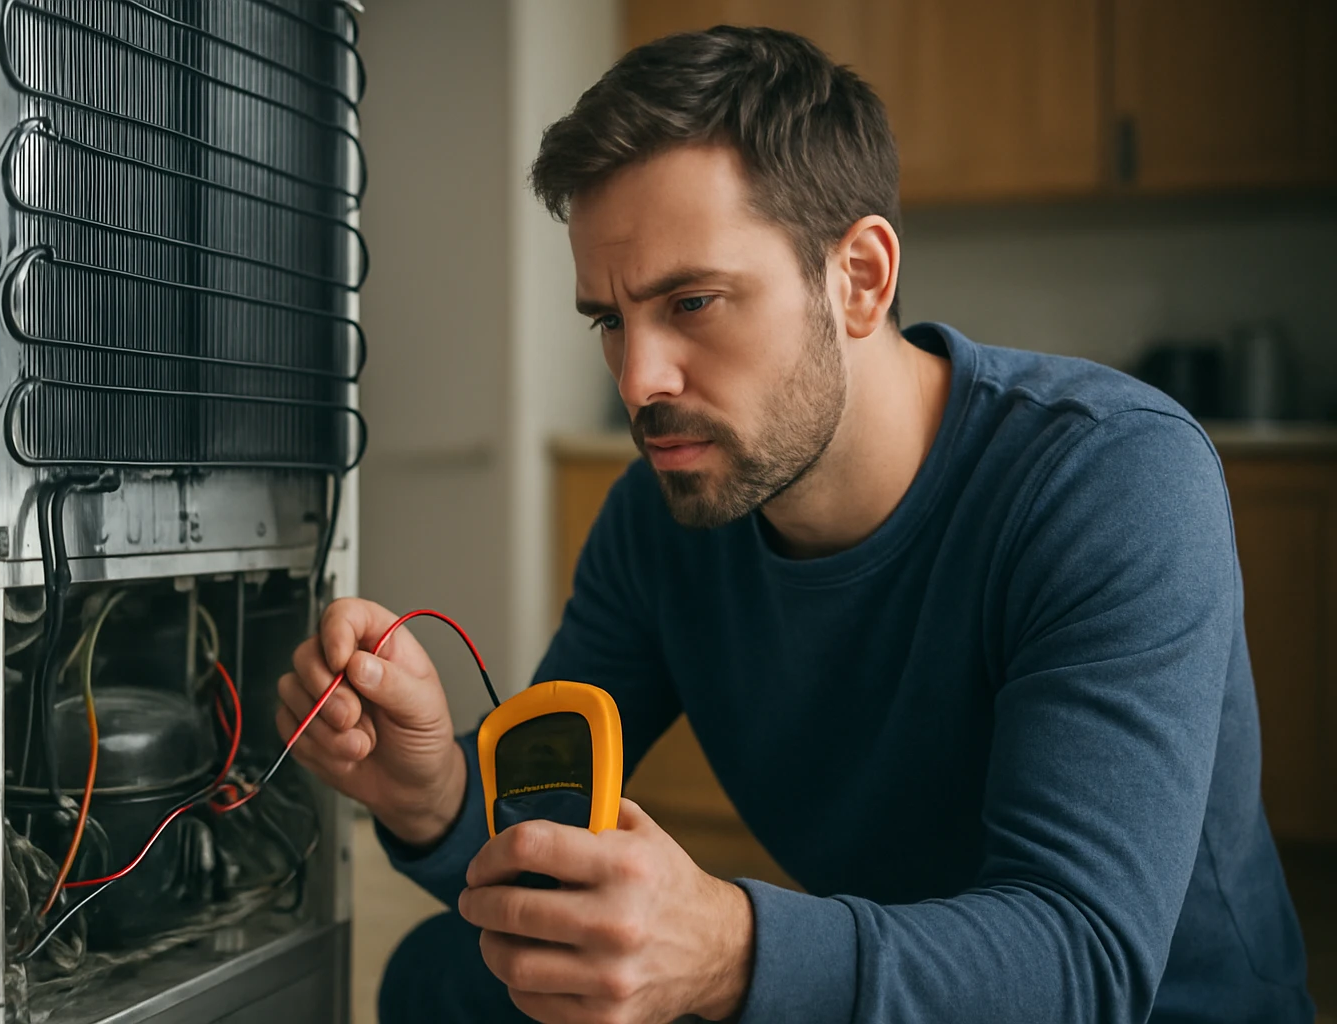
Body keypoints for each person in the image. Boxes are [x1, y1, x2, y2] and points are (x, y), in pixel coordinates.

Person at [276, 25, 1314, 1024]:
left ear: (858, 277)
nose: (639, 382)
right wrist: (431, 789)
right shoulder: (660, 517)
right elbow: (546, 844)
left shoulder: (1109, 478)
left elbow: (1081, 968)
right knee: (449, 979)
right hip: (886, 987)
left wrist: (731, 949)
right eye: (609, 320)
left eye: (691, 302)